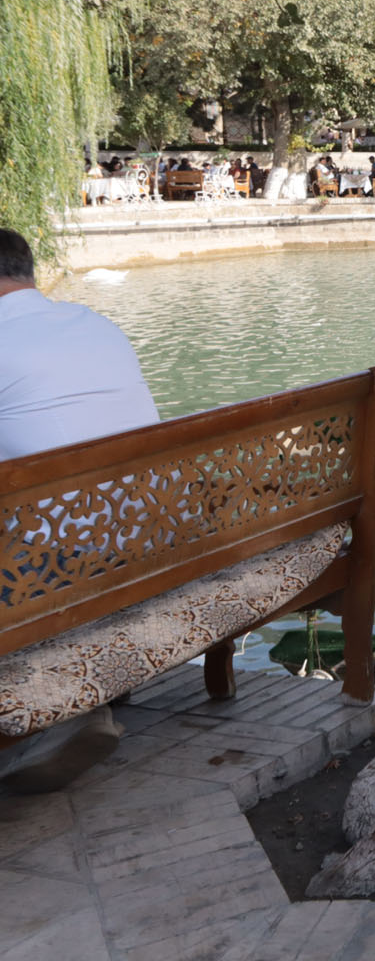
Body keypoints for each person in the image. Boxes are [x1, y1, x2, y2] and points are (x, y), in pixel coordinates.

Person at [0, 227, 160, 792]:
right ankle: (80, 701)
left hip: (61, 566)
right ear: (28, 273)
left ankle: (48, 718)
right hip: (154, 543)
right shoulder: (96, 324)